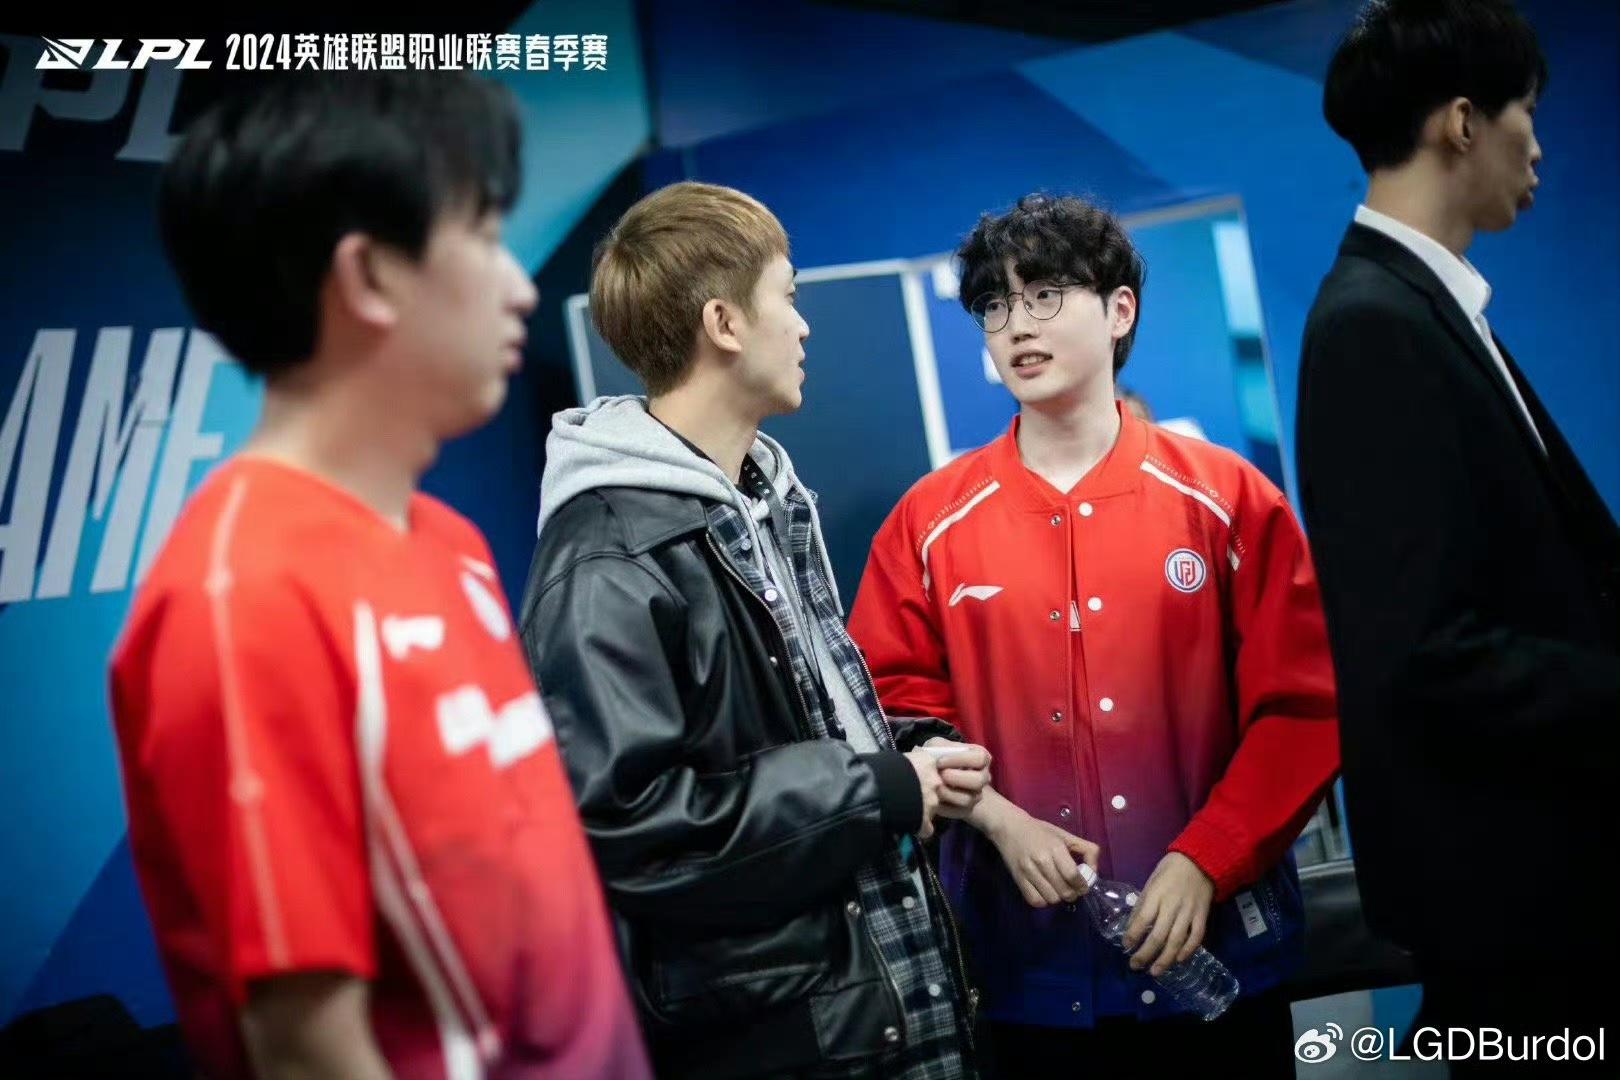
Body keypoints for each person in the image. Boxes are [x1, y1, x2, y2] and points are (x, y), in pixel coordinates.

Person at [109, 71, 650, 1079]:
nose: (521, 286)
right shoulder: (243, 600)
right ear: (367, 277)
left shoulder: (451, 543)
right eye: (484, 235)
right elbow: (308, 1048)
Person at [848, 193, 1340, 1076]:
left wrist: (1207, 860)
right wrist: (999, 819)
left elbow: (1302, 713)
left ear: (1119, 311)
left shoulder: (1228, 499)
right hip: (1022, 974)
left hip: (1217, 963)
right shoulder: (929, 522)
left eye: (1044, 294)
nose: (1016, 325)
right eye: (994, 304)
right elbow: (889, 711)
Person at [518, 181, 987, 1078]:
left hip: (884, 1017)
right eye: (789, 297)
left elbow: (780, 730)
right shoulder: (607, 555)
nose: (804, 327)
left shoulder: (764, 498)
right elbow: (637, 830)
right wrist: (877, 791)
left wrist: (907, 754)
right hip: (791, 1043)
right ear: (725, 323)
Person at [1298, 0, 1619, 1056]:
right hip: (1517, 910)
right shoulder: (1372, 323)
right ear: (1465, 122)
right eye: (1529, 111)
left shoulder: (1425, 307)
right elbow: (1423, 650)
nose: (1540, 145)